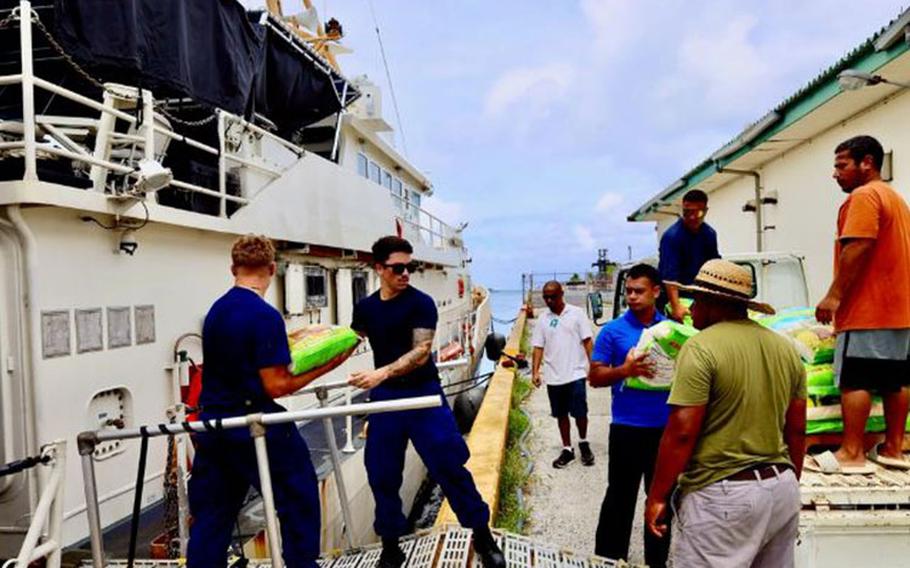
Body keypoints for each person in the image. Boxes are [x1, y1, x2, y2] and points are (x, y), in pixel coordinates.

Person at [187, 235, 354, 568]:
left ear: (233, 268)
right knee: (299, 495)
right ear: (272, 269)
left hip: (214, 423)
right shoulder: (264, 316)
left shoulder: (216, 311)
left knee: (214, 511)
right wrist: (329, 364)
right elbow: (276, 385)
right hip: (253, 423)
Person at [348, 236, 505, 568]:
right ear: (379, 268)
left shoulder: (421, 303)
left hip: (422, 395)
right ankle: (392, 545)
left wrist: (380, 374)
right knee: (381, 473)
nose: (406, 273)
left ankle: (482, 534)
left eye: (411, 267)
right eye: (398, 268)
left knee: (449, 465)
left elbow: (421, 353)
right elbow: (350, 342)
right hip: (386, 398)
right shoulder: (365, 308)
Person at [645, 259, 807, 567]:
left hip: (723, 495)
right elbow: (797, 429)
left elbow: (681, 432)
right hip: (781, 488)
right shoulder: (785, 348)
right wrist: (789, 481)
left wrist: (657, 496)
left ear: (712, 302)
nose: (690, 310)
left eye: (695, 301)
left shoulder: (700, 348)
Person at [813, 135, 910, 473]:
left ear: (866, 162)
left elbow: (857, 247)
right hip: (899, 310)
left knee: (855, 379)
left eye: (842, 165)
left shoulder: (865, 196)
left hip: (868, 309)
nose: (835, 173)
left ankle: (851, 453)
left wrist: (834, 295)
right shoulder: (895, 198)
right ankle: (894, 449)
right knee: (895, 380)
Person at [589, 264, 669, 567]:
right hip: (626, 428)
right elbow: (595, 377)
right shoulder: (612, 332)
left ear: (656, 292)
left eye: (639, 291)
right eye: (629, 291)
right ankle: (609, 560)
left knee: (660, 501)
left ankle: (656, 561)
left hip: (664, 430)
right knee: (619, 499)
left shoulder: (670, 331)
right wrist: (625, 370)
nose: (632, 297)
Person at [531, 281, 594, 468]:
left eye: (553, 296)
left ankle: (583, 442)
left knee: (580, 412)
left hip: (576, 373)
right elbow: (538, 347)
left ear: (561, 294)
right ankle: (567, 448)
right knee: (561, 415)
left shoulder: (576, 314)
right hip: (554, 375)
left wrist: (595, 367)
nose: (549, 300)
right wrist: (535, 371)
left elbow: (588, 341)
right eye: (546, 297)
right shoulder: (543, 319)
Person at [658, 189, 720, 322]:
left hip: (699, 297)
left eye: (697, 212)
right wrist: (676, 307)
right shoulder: (672, 237)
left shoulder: (709, 234)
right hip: (675, 298)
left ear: (705, 211)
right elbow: (669, 277)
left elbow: (714, 267)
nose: (692, 217)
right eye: (687, 212)